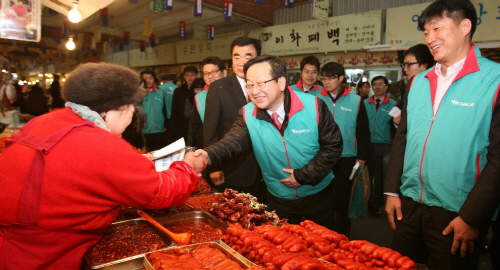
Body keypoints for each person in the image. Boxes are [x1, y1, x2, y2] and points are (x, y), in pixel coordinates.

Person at [0, 62, 207, 269]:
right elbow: (161, 192)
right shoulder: (99, 143)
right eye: (132, 108)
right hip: (42, 255)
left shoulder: (46, 120)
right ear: (116, 109)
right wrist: (187, 166)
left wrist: (135, 161)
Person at [384, 1, 500, 269]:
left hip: (456, 213)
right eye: (426, 32)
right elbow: (402, 138)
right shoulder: (418, 81)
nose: (430, 38)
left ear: (465, 26)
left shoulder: (493, 81)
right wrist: (391, 191)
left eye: (437, 28)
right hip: (408, 205)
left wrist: (472, 217)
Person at [195, 55, 343, 229]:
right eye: (249, 85)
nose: (254, 91)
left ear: (281, 82)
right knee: (284, 248)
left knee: (324, 245)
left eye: (261, 83)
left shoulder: (314, 105)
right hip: (279, 198)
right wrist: (207, 155)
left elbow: (333, 146)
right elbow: (233, 142)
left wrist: (304, 175)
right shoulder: (246, 113)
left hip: (318, 195)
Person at [309, 62, 370, 236]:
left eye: (331, 78)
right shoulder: (315, 98)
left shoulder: (356, 100)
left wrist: (362, 156)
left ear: (342, 78)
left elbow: (363, 130)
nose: (326, 82)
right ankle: (321, 234)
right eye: (324, 78)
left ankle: (342, 235)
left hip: (347, 156)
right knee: (321, 196)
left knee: (342, 198)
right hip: (320, 155)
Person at [203, 37, 266, 202]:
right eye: (236, 56)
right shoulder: (219, 88)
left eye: (248, 56)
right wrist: (214, 167)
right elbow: (211, 130)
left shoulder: (266, 86)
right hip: (234, 169)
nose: (241, 62)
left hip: (265, 171)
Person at [364, 76, 397, 216]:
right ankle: (366, 203)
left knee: (382, 177)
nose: (377, 87)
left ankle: (380, 204)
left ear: (386, 87)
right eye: (375, 85)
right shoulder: (364, 103)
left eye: (381, 84)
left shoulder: (394, 104)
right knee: (367, 176)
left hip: (386, 146)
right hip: (368, 145)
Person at [393, 43, 435, 125]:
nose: (405, 69)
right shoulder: (409, 87)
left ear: (424, 65)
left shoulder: (435, 89)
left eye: (409, 64)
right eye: (404, 65)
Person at [140, 70, 167, 151]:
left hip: (159, 129)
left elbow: (164, 109)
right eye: (145, 78)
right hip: (145, 130)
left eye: (150, 78)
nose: (148, 81)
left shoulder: (160, 93)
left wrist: (165, 125)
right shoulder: (139, 95)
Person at [171, 65, 198, 142]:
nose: (190, 77)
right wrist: (174, 126)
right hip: (182, 123)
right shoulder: (178, 91)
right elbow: (174, 109)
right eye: (187, 75)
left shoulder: (200, 89)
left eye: (192, 75)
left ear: (196, 75)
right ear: (184, 76)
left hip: (196, 122)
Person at [184, 77, 206, 149]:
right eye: (197, 89)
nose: (199, 92)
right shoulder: (190, 99)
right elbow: (187, 113)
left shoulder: (210, 97)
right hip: (193, 128)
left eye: (202, 89)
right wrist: (197, 109)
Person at [159, 74, 178, 144]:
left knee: (166, 138)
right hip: (175, 116)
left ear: (163, 81)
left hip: (165, 116)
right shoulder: (177, 88)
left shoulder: (160, 88)